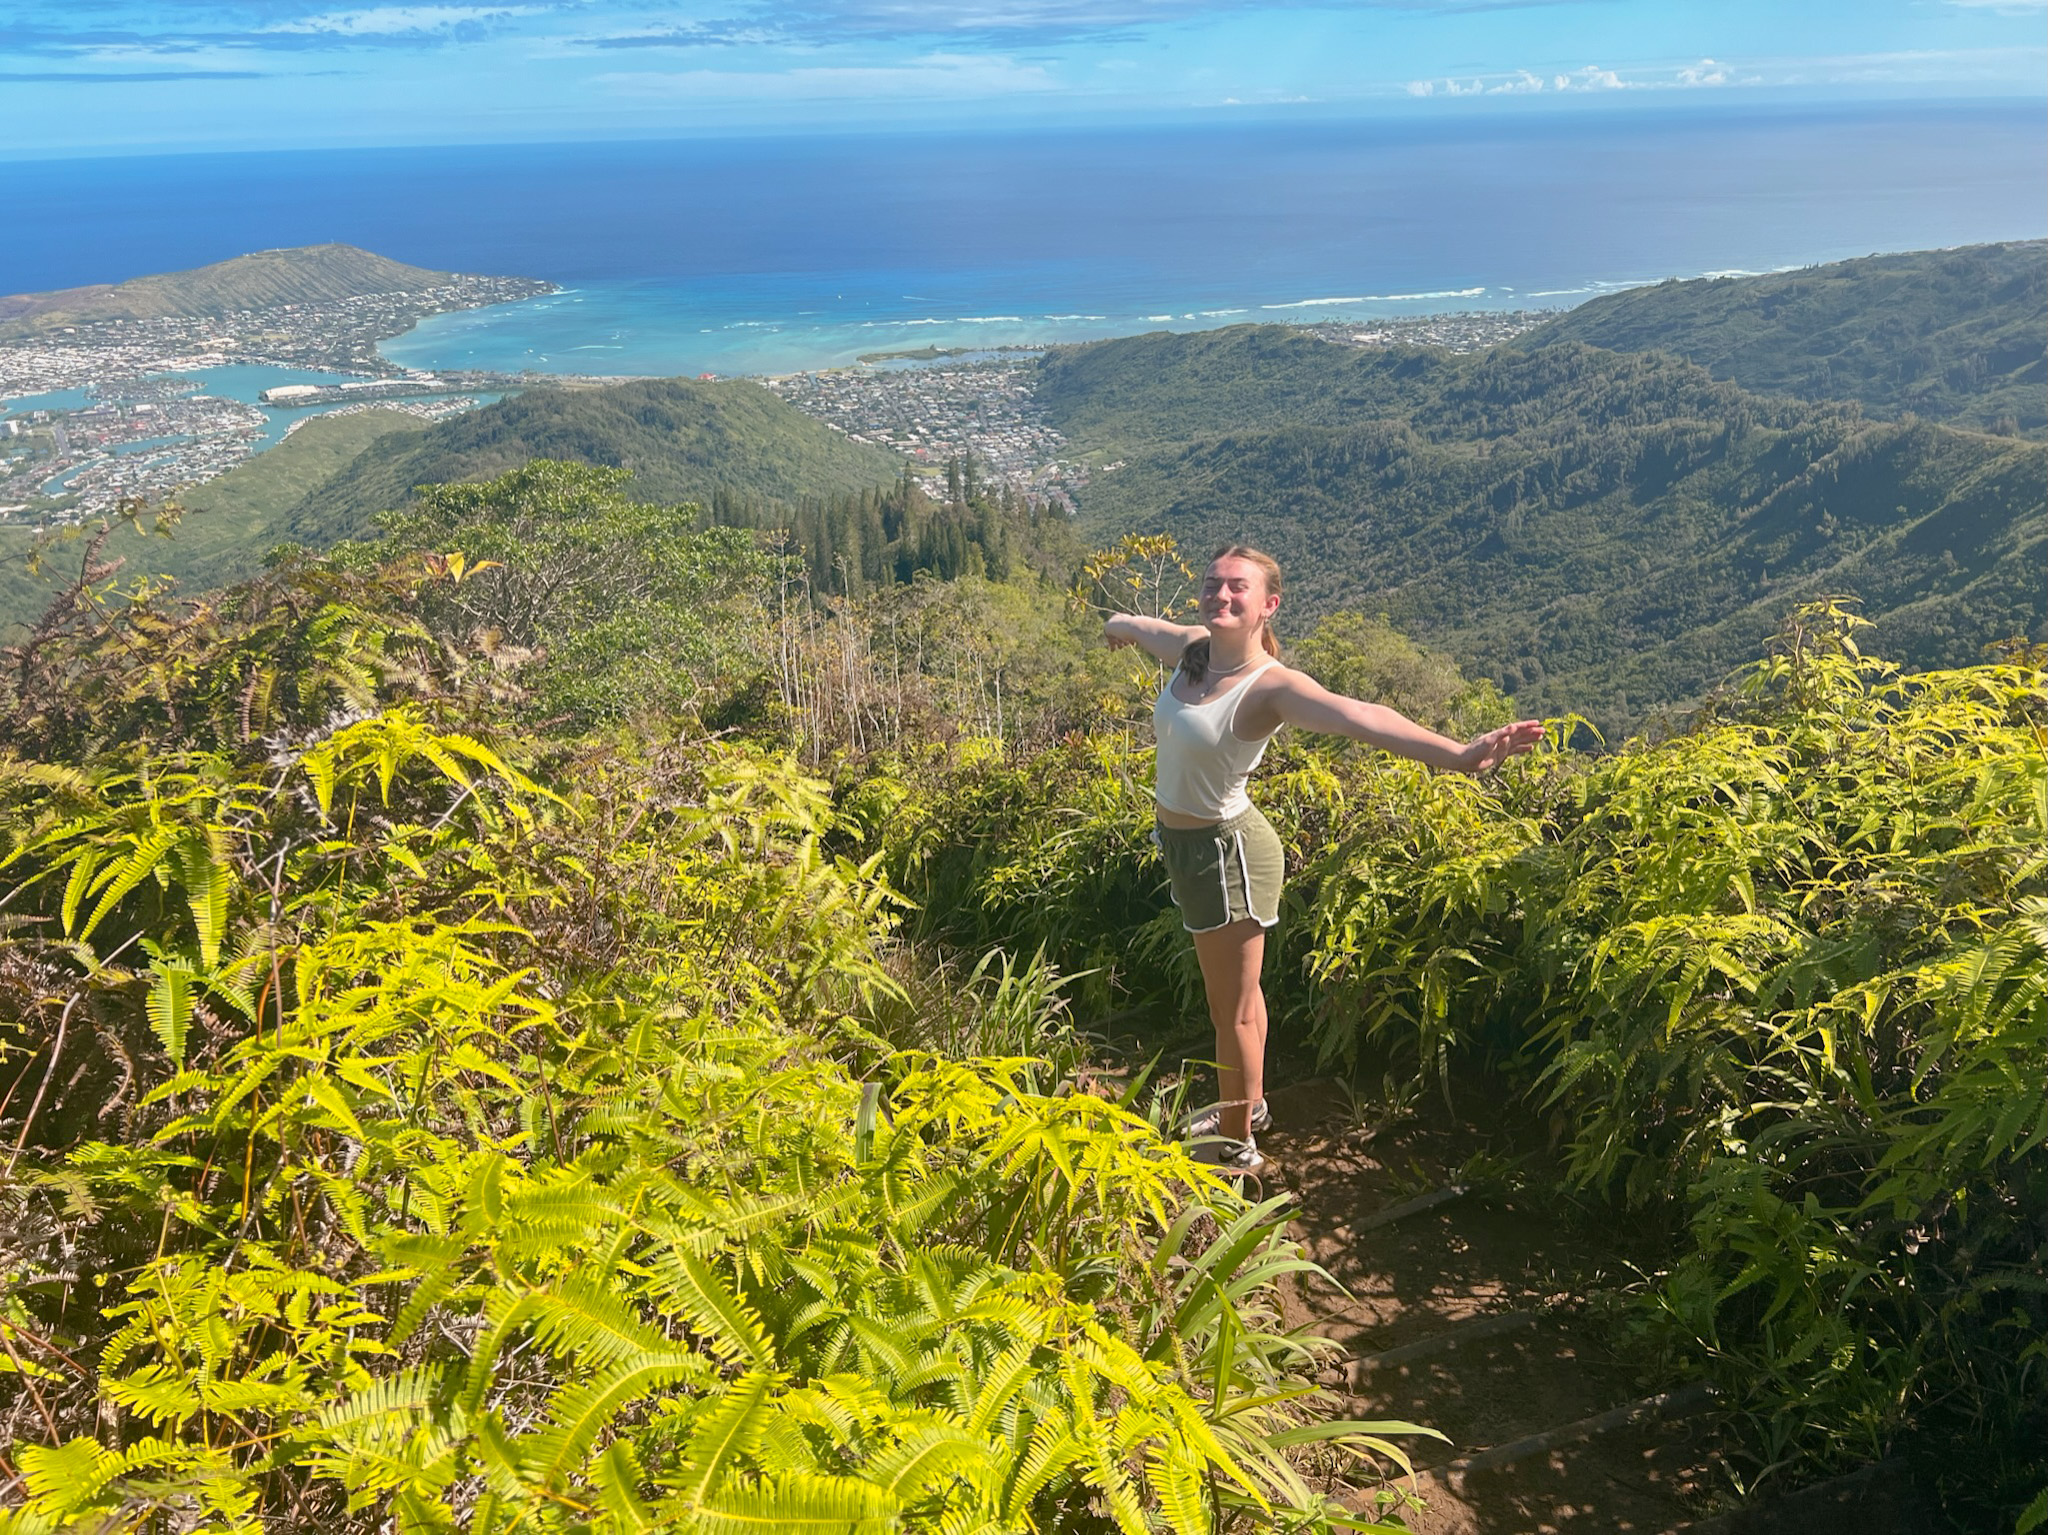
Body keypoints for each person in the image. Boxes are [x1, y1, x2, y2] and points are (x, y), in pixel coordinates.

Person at [1104, 545, 1546, 1174]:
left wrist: (1458, 754)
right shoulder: (1195, 651)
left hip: (1226, 855)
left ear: (1268, 606)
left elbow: (1359, 716)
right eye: (1212, 585)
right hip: (1189, 849)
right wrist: (1117, 627)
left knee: (1226, 1007)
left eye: (1238, 588)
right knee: (1240, 993)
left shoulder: (1269, 686)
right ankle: (1248, 1107)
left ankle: (1235, 1147)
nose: (1221, 596)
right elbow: (1152, 631)